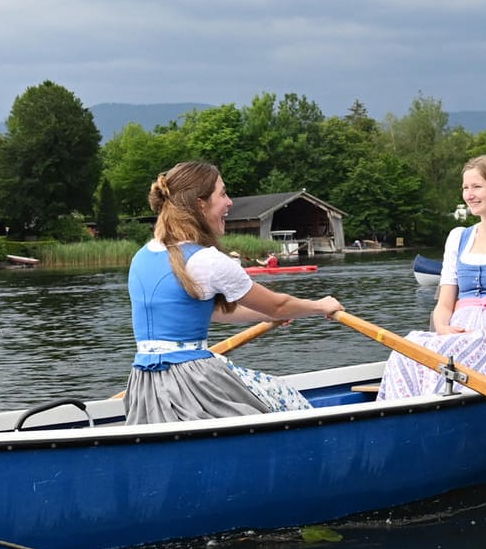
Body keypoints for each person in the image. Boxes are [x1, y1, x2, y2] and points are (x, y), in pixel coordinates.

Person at [125, 160, 341, 424]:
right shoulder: (207, 260)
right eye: (223, 194)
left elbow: (214, 312)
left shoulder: (141, 257)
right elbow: (278, 306)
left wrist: (263, 316)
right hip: (192, 383)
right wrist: (320, 306)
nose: (229, 203)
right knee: (284, 394)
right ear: (200, 204)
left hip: (144, 385)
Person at [377, 154, 486, 401]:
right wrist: (443, 329)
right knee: (406, 350)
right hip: (456, 336)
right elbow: (444, 305)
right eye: (465, 188)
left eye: (477, 186)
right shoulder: (458, 237)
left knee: (451, 355)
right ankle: (403, 415)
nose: (469, 194)